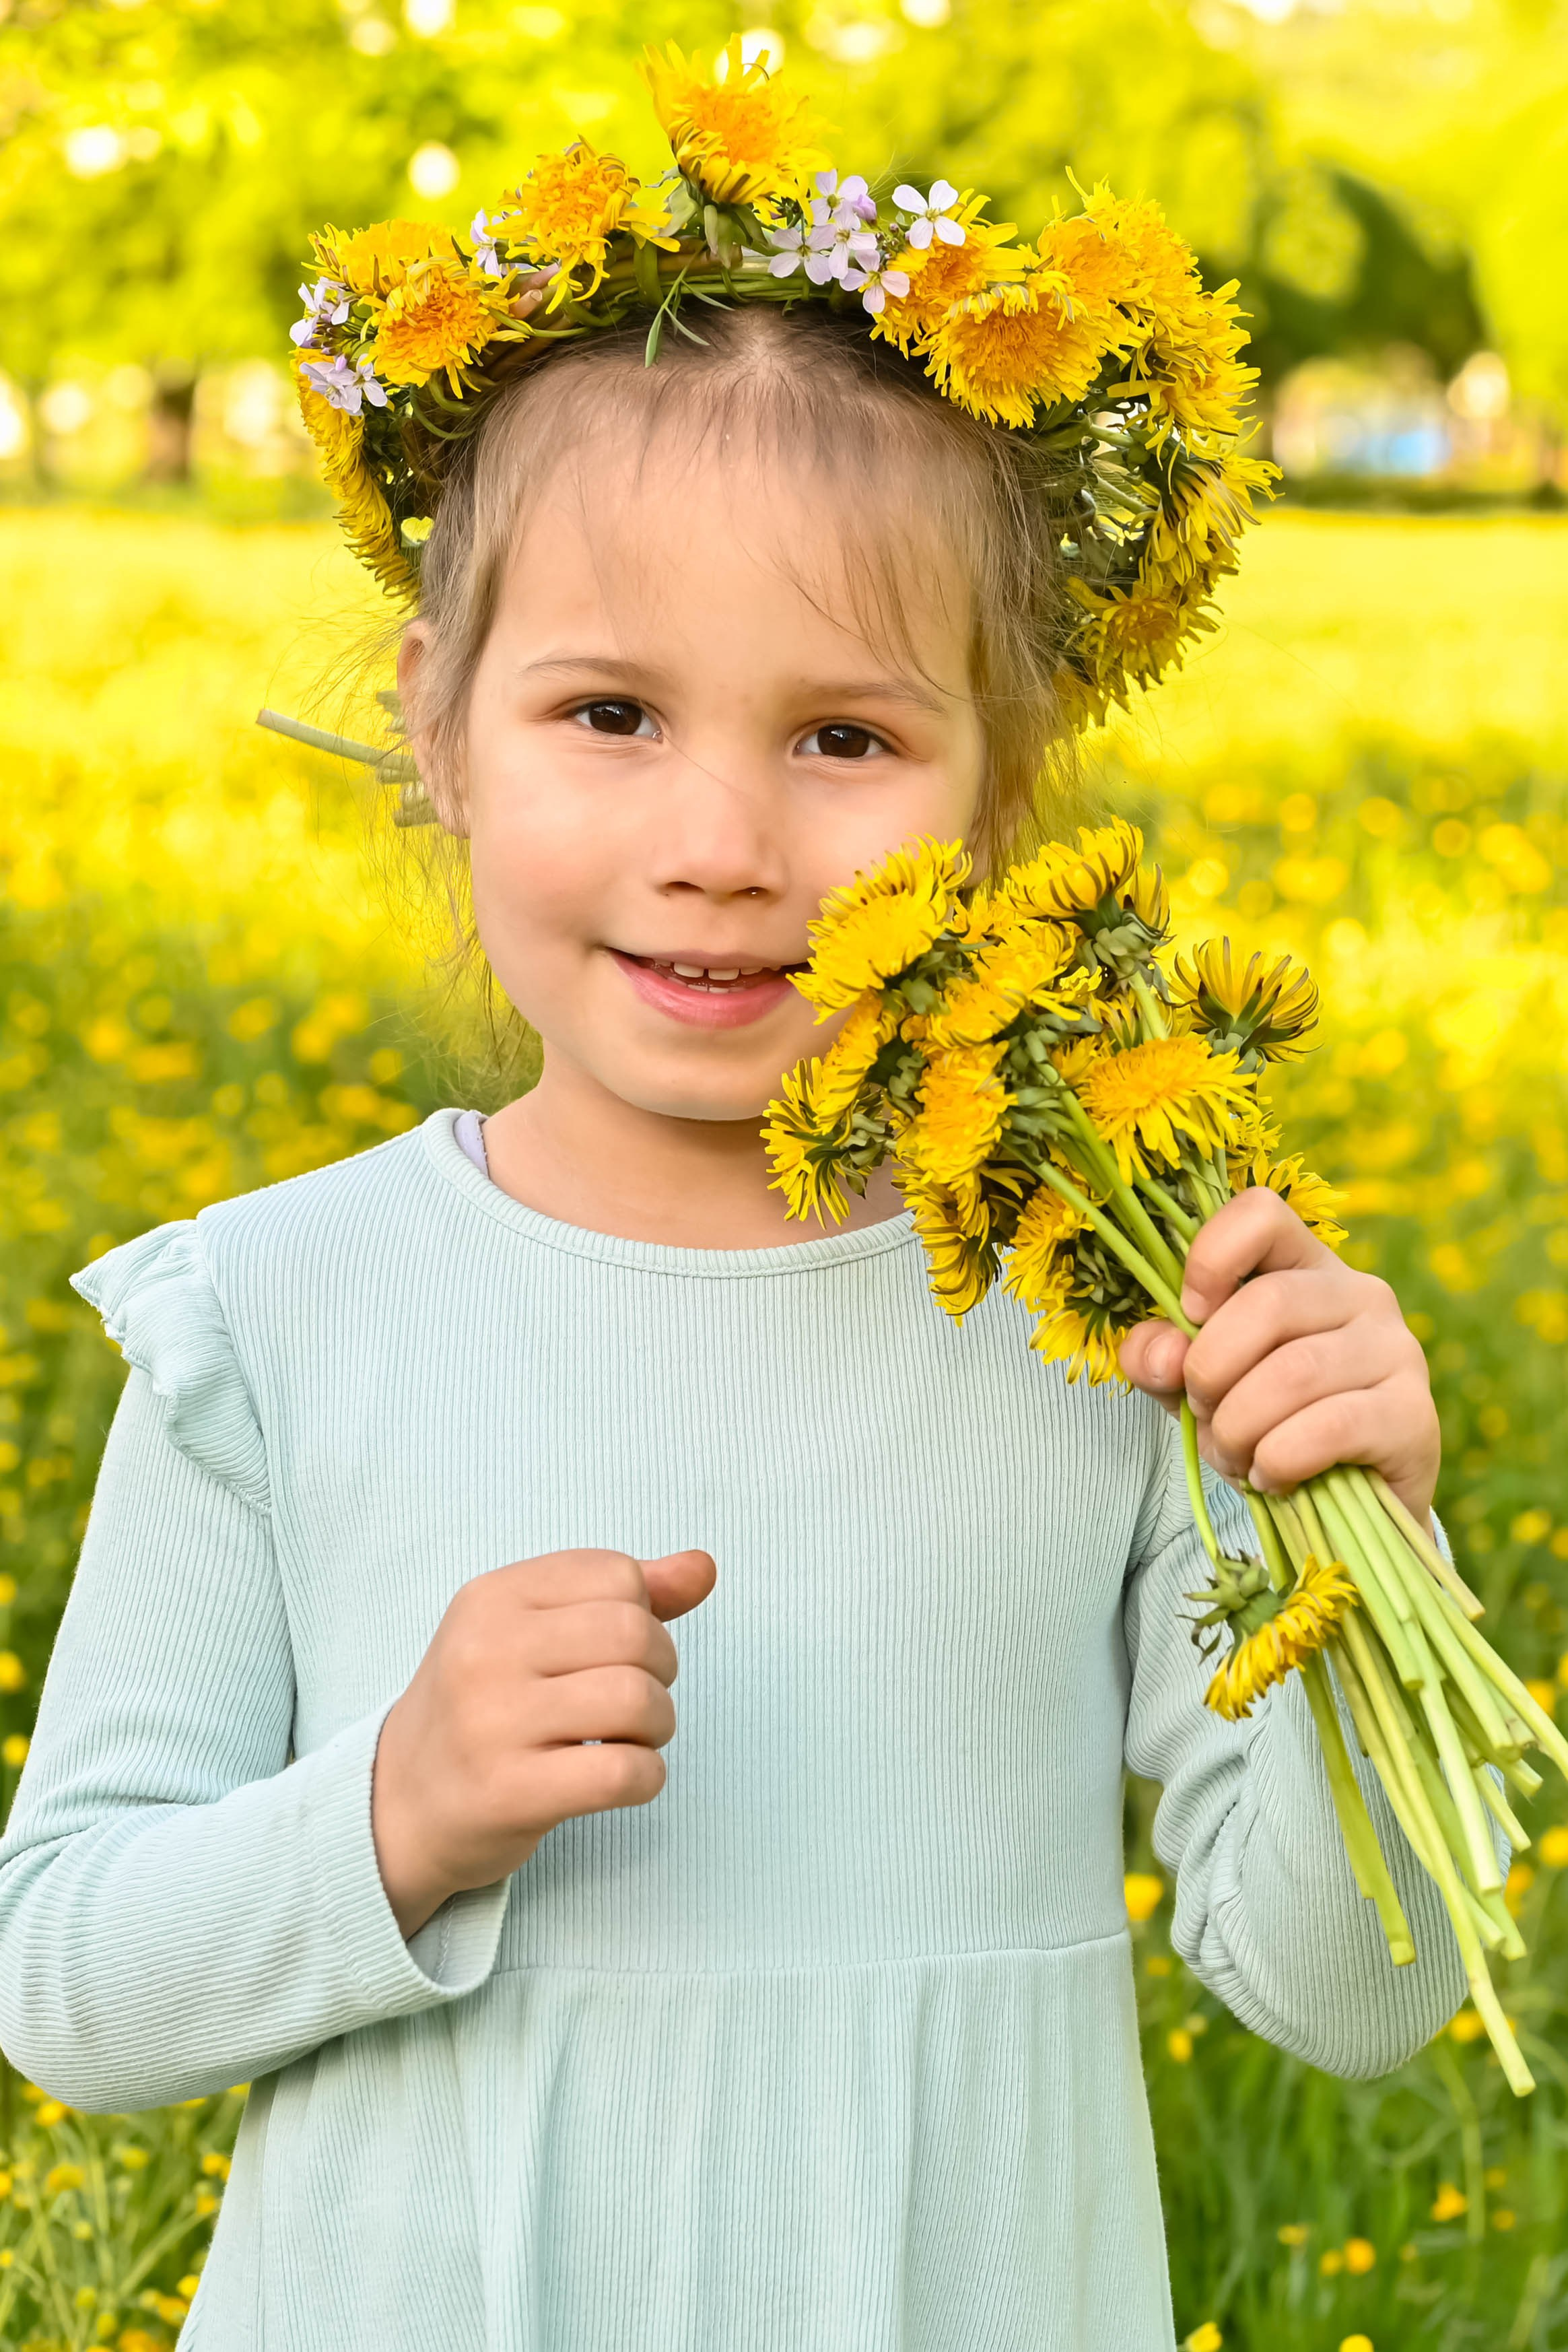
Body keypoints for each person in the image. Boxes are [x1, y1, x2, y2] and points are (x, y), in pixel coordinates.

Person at [0, 50, 1464, 2352]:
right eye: (607, 714)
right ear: (434, 721)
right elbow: (69, 1980)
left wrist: (1352, 1551)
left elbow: (1351, 2000)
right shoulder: (274, 1315)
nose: (721, 840)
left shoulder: (1119, 1323)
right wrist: (385, 1813)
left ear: (998, 798)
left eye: (843, 738)